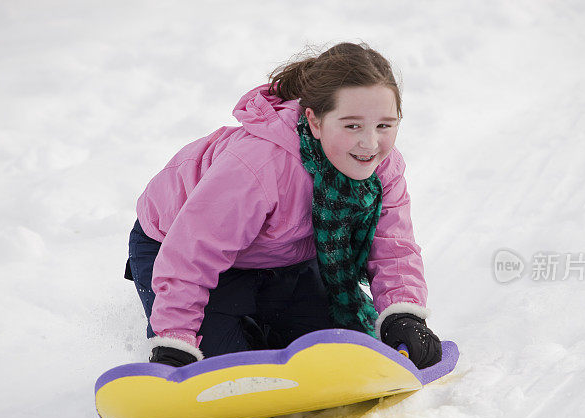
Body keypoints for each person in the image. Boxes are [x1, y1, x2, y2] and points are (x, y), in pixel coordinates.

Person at [124, 42, 442, 369]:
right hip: (176, 246)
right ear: (315, 122)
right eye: (352, 125)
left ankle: (261, 320)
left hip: (282, 256)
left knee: (343, 351)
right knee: (226, 369)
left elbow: (392, 246)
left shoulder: (382, 168)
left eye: (384, 125)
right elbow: (192, 252)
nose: (370, 143)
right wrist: (176, 338)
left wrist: (404, 314)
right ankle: (233, 324)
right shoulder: (260, 165)